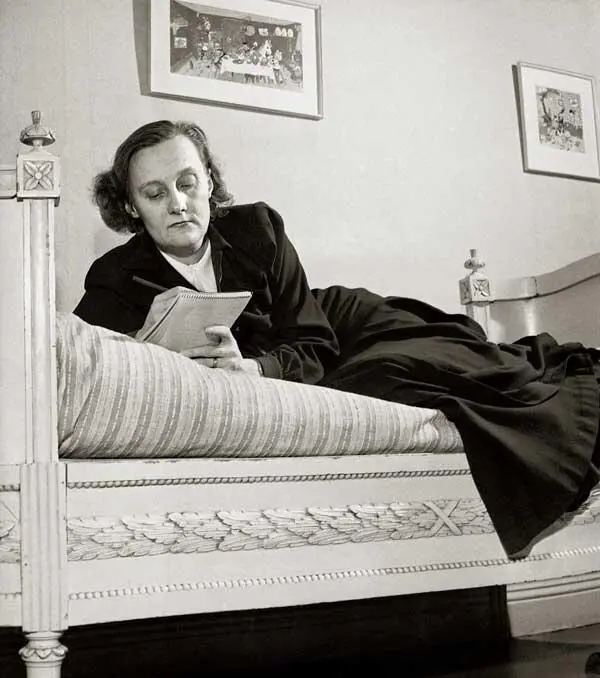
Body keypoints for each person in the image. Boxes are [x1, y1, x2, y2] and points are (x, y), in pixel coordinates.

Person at [75, 119, 600, 559]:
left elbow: (314, 339)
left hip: (334, 323)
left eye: (188, 182)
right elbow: (89, 359)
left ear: (210, 182)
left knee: (457, 363)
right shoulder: (114, 279)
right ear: (131, 207)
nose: (177, 203)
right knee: (394, 377)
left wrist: (255, 370)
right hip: (314, 356)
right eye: (154, 193)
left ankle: (562, 381)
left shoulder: (258, 227)